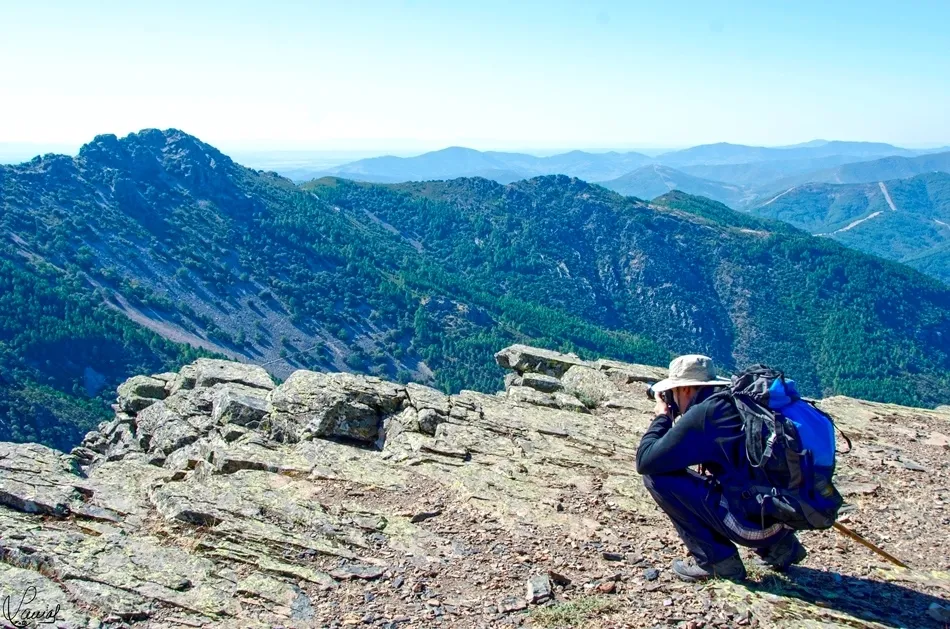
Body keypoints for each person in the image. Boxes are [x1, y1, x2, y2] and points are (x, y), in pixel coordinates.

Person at [636, 354, 807, 582]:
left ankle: (718, 563)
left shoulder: (705, 415)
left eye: (672, 392)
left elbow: (646, 460)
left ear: (685, 389)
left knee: (656, 477)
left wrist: (662, 418)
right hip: (787, 516)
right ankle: (781, 548)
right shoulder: (739, 404)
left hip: (753, 529)